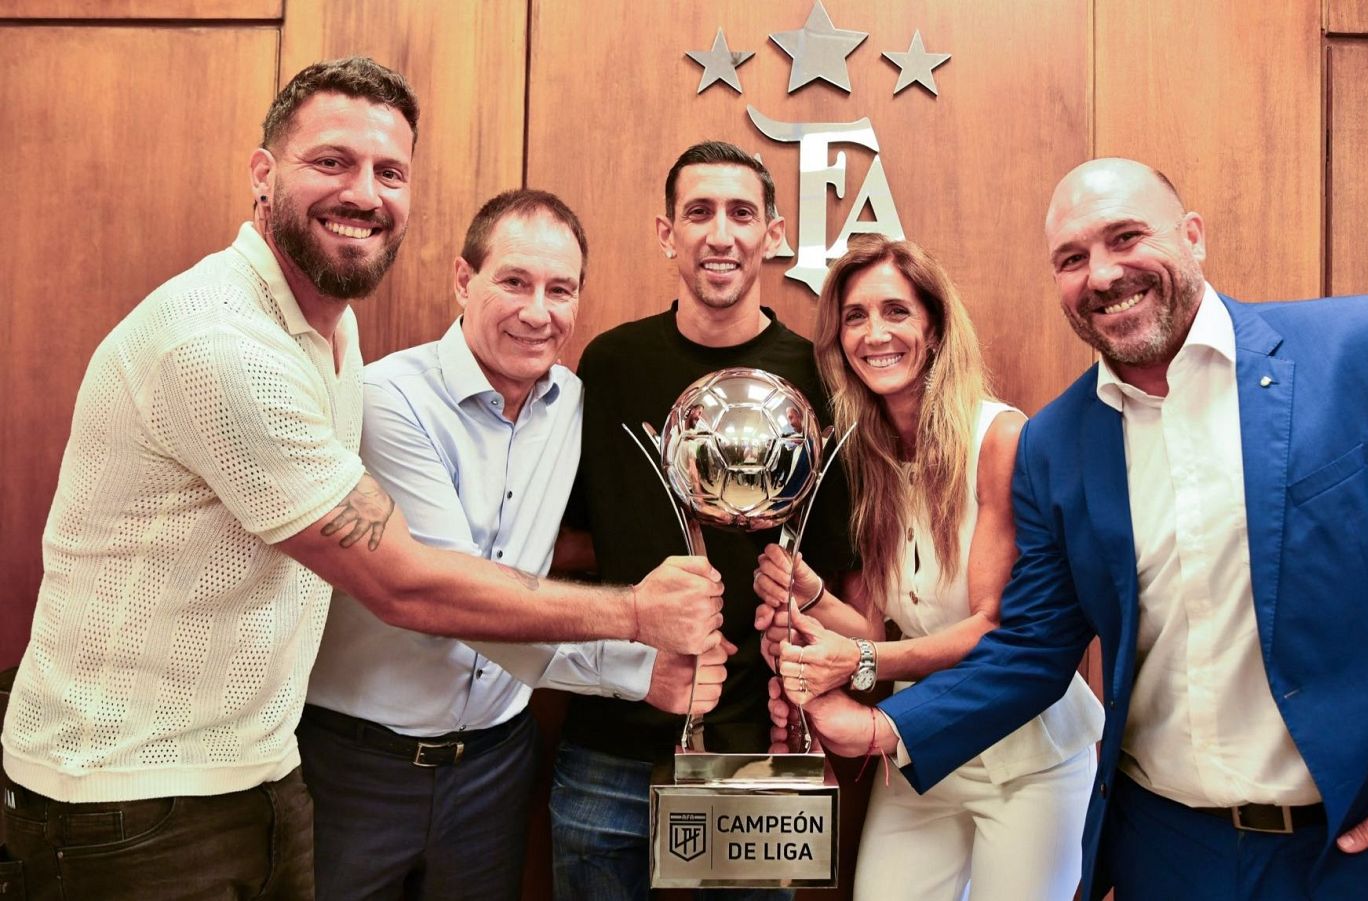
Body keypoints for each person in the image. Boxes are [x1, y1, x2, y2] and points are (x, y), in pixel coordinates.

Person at [0, 59, 722, 899]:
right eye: (331, 162)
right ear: (263, 175)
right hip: (130, 796)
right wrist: (636, 621)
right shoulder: (224, 346)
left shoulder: (331, 336)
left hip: (265, 773)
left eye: (390, 172)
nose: (365, 193)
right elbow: (408, 583)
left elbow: (516, 541)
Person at [777, 158, 1368, 901]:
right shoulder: (1058, 442)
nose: (1104, 273)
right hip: (1166, 851)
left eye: (1125, 237)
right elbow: (1034, 649)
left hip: (1356, 845)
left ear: (1193, 234)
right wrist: (880, 726)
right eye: (1072, 257)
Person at [297, 189, 735, 900]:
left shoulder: (577, 406)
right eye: (514, 281)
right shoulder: (388, 401)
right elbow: (449, 597)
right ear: (464, 280)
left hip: (497, 765)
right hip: (359, 763)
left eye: (559, 289)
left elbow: (561, 545)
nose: (539, 312)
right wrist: (634, 663)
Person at [751, 235, 1104, 899]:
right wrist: (814, 595)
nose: (874, 333)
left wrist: (853, 663)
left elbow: (994, 628)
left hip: (1026, 758)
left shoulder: (999, 438)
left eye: (895, 312)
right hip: (923, 754)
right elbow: (882, 631)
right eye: (855, 316)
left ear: (935, 328)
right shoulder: (863, 457)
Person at [550, 141, 852, 901]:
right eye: (699, 213)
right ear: (666, 234)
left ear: (774, 233)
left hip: (754, 744)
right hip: (608, 741)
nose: (721, 234)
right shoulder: (610, 365)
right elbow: (573, 539)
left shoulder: (819, 374)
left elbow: (841, 566)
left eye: (742, 213)